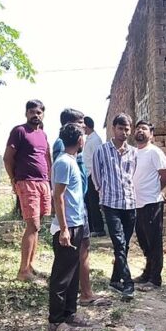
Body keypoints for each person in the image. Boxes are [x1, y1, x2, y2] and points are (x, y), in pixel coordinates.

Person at [53, 108, 107, 307]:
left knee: (82, 250)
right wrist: (63, 227)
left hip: (78, 205)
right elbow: (59, 191)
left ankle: (82, 295)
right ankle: (72, 302)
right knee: (71, 258)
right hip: (71, 210)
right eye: (81, 122)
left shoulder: (73, 152)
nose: (84, 126)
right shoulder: (63, 150)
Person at [48, 123, 89, 331]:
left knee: (72, 274)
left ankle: (69, 313)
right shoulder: (64, 162)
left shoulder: (71, 161)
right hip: (68, 227)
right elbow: (58, 196)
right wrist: (64, 229)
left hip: (76, 224)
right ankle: (56, 320)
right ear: (80, 140)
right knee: (62, 276)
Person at [3, 99, 52, 282]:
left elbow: (47, 158)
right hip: (26, 182)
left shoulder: (43, 135)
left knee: (37, 226)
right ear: (26, 113)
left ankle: (30, 266)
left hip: (43, 183)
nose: (35, 115)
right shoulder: (19, 131)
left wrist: (49, 181)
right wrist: (13, 179)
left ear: (43, 114)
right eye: (32, 112)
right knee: (32, 225)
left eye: (38, 112)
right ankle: (23, 271)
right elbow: (8, 158)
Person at [92, 113, 137, 301]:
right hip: (110, 204)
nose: (124, 132)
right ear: (113, 129)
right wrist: (103, 193)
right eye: (120, 128)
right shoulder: (101, 151)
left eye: (127, 129)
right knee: (118, 243)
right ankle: (128, 283)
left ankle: (114, 279)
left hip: (130, 203)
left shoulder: (133, 152)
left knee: (125, 244)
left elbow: (133, 175)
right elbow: (96, 176)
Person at [132, 120, 166, 291]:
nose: (140, 130)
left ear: (151, 134)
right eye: (138, 128)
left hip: (152, 202)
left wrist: (156, 191)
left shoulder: (154, 152)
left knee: (154, 242)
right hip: (136, 203)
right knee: (143, 240)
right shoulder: (133, 152)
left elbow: (165, 176)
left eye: (144, 128)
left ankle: (155, 279)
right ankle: (147, 273)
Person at [82, 116, 106, 237]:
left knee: (93, 202)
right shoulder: (89, 139)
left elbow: (99, 159)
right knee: (88, 202)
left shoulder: (95, 140)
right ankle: (91, 227)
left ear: (86, 126)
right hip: (88, 173)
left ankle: (99, 228)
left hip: (93, 174)